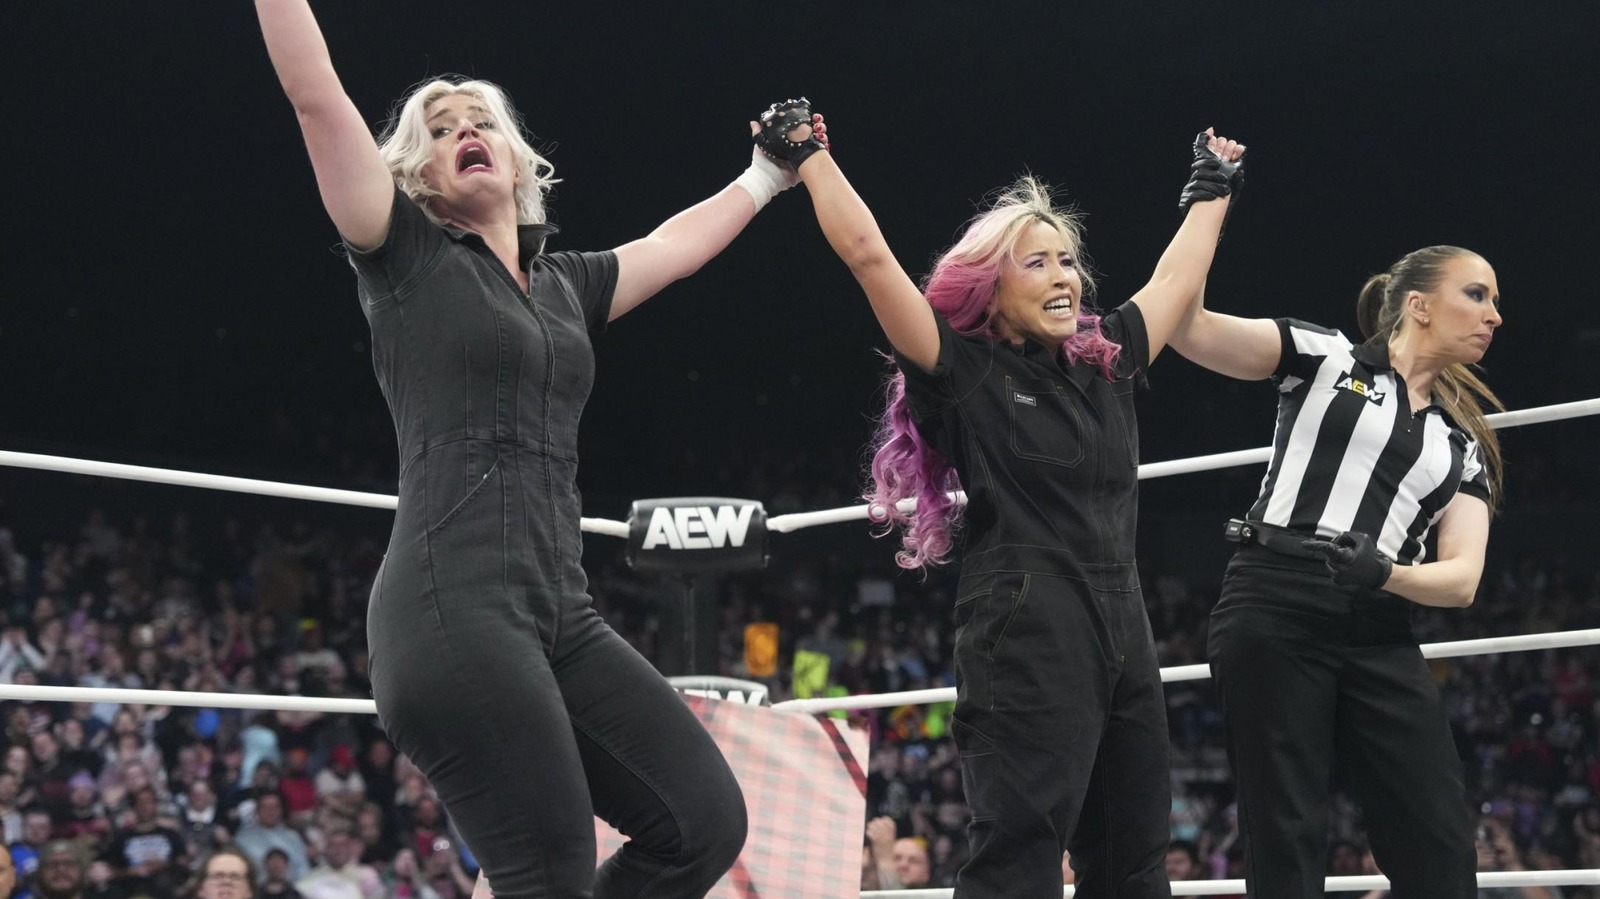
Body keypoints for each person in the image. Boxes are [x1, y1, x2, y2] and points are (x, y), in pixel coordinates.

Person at [251, 4, 812, 896]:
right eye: (441, 130)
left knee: (702, 821)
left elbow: (672, 247)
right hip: (451, 608)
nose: (465, 133)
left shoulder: (564, 285)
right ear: (419, 174)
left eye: (481, 122)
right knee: (549, 869)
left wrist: (767, 175)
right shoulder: (403, 257)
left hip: (559, 614)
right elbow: (315, 94)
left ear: (517, 160)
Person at [767, 98, 1243, 895]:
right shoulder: (962, 369)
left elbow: (1176, 278)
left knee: (1134, 857)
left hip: (1124, 627)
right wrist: (809, 155)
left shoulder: (1107, 359)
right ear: (991, 288)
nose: (1064, 277)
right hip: (1025, 626)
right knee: (1019, 855)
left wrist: (1213, 184)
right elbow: (871, 258)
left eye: (1068, 261)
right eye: (1038, 263)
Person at [1166, 245, 1506, 896]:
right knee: (1285, 828)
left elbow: (1462, 579)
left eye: (1494, 301)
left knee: (1436, 831)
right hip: (1275, 595)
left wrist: (1385, 573)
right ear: (1419, 305)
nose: (1494, 315)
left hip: (1376, 621)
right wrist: (1209, 214)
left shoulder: (1463, 444)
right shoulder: (1324, 356)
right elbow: (1189, 329)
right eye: (1477, 295)